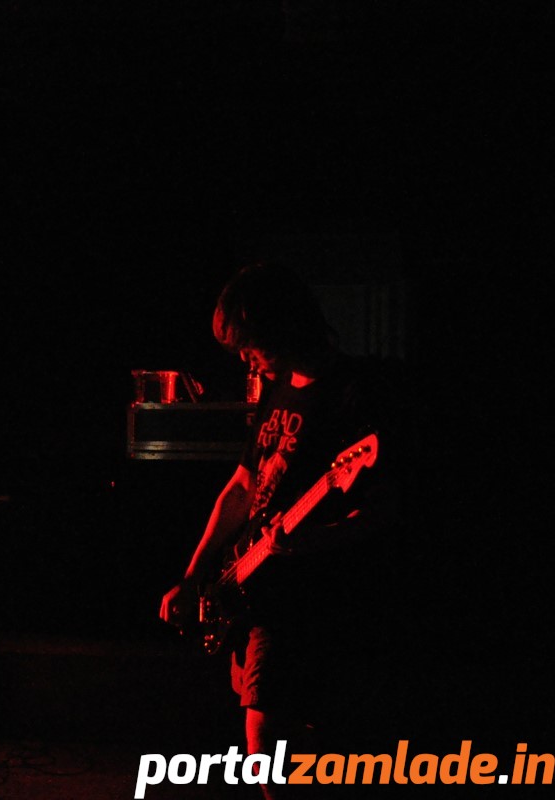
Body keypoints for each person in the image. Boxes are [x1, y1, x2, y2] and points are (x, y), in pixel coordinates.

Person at [159, 260, 404, 798]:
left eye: (252, 346)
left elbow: (385, 510)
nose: (246, 359)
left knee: (264, 744)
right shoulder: (278, 389)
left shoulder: (353, 394)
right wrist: (194, 576)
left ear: (284, 327)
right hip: (254, 587)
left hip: (307, 604)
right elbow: (243, 487)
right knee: (292, 748)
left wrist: (313, 540)